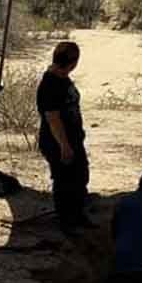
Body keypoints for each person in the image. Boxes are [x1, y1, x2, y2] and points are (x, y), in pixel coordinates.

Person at [36, 41, 94, 236]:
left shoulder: (63, 79)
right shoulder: (50, 84)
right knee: (64, 181)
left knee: (80, 176)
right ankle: (66, 221)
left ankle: (78, 215)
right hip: (58, 142)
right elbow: (53, 118)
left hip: (73, 140)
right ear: (72, 62)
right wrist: (64, 146)